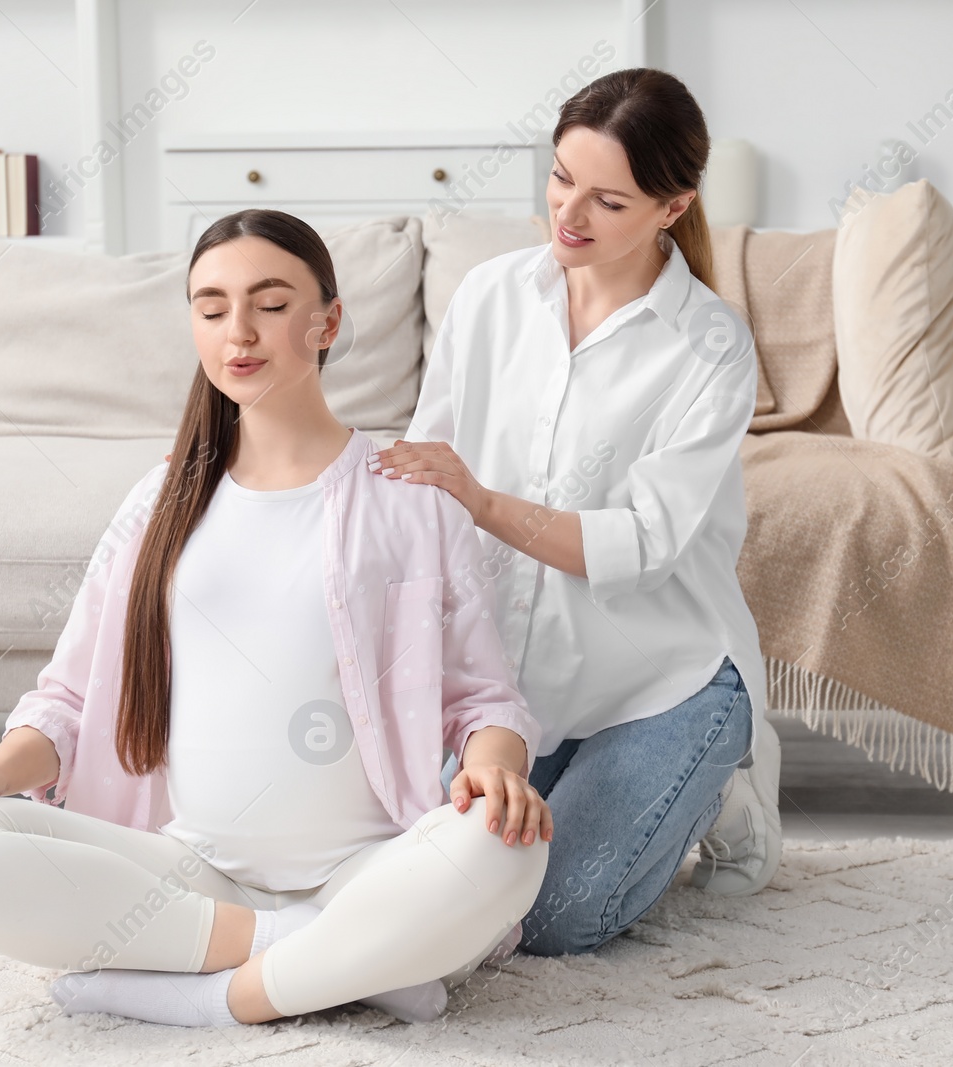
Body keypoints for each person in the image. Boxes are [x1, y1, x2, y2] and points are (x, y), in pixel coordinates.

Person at [0, 209, 551, 1027]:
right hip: (187, 869)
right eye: (210, 306)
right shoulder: (157, 502)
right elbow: (67, 701)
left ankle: (216, 996)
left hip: (367, 867)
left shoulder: (409, 496)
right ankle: (328, 953)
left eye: (270, 304)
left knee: (508, 844)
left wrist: (498, 768)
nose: (240, 331)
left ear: (328, 321)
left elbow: (485, 701)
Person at [369, 67, 783, 957]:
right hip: (519, 688)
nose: (569, 214)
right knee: (441, 884)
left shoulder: (710, 346)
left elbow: (640, 545)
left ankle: (719, 790)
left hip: (660, 678)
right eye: (561, 177)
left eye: (608, 200)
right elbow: (426, 478)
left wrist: (479, 499)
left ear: (672, 208)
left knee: (555, 918)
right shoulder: (490, 296)